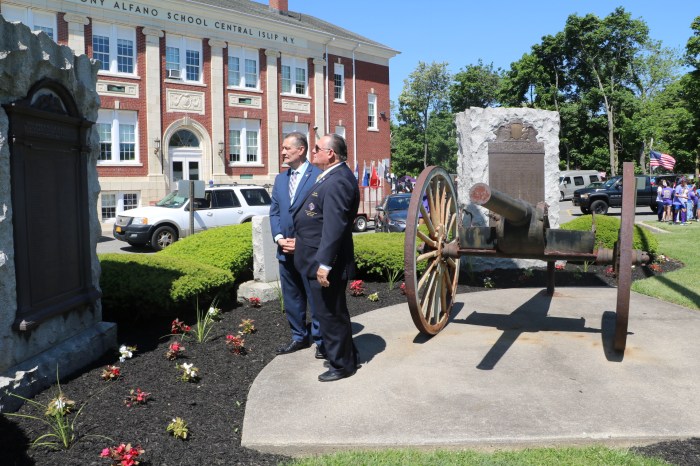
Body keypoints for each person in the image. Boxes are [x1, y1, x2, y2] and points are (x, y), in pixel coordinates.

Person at [293, 133, 360, 382]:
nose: (313, 152)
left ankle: (342, 365)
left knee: (330, 315)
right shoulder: (331, 176)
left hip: (325, 263)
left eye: (317, 148)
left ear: (330, 153)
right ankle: (347, 355)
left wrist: (324, 264)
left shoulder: (338, 180)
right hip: (313, 257)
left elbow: (334, 227)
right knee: (331, 313)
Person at [269, 132, 324, 356]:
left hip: (310, 251)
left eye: (286, 148)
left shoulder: (319, 176)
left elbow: (323, 217)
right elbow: (274, 213)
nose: (282, 152)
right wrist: (279, 238)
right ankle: (299, 337)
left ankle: (322, 341)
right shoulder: (281, 179)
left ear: (300, 150)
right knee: (292, 297)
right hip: (285, 251)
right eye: (282, 148)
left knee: (316, 297)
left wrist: (300, 242)